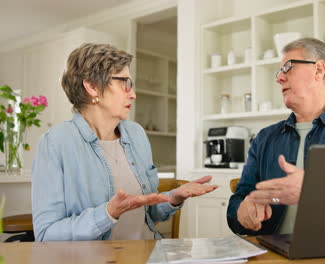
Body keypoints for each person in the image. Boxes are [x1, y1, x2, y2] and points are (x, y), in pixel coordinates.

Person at [32, 43, 217, 241]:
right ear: (92, 86)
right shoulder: (56, 143)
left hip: (149, 253)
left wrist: (173, 198)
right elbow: (46, 235)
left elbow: (148, 215)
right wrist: (108, 213)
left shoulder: (136, 134)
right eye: (124, 83)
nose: (133, 94)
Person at [227, 38, 325, 235]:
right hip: (270, 254)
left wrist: (314, 190)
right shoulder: (264, 138)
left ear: (318, 70)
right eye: (279, 72)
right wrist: (242, 211)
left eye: (287, 68)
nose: (279, 78)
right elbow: (237, 203)